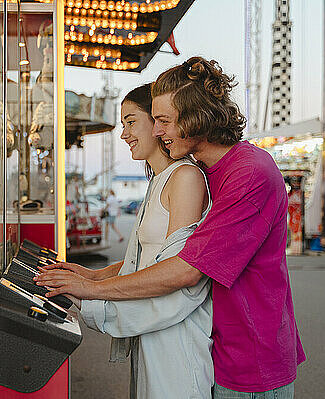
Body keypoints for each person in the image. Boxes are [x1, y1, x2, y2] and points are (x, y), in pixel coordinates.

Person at [35, 57, 305, 398]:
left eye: (163, 120)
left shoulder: (248, 173)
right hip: (221, 346)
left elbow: (185, 271)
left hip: (251, 359)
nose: (157, 131)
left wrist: (90, 292)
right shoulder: (208, 171)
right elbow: (157, 259)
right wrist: (92, 277)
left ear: (195, 118)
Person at [57, 83, 213, 399]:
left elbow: (179, 276)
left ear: (157, 123)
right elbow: (141, 261)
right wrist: (86, 274)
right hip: (154, 333)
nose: (124, 133)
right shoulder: (159, 180)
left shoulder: (185, 177)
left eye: (131, 121)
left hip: (176, 339)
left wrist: (90, 292)